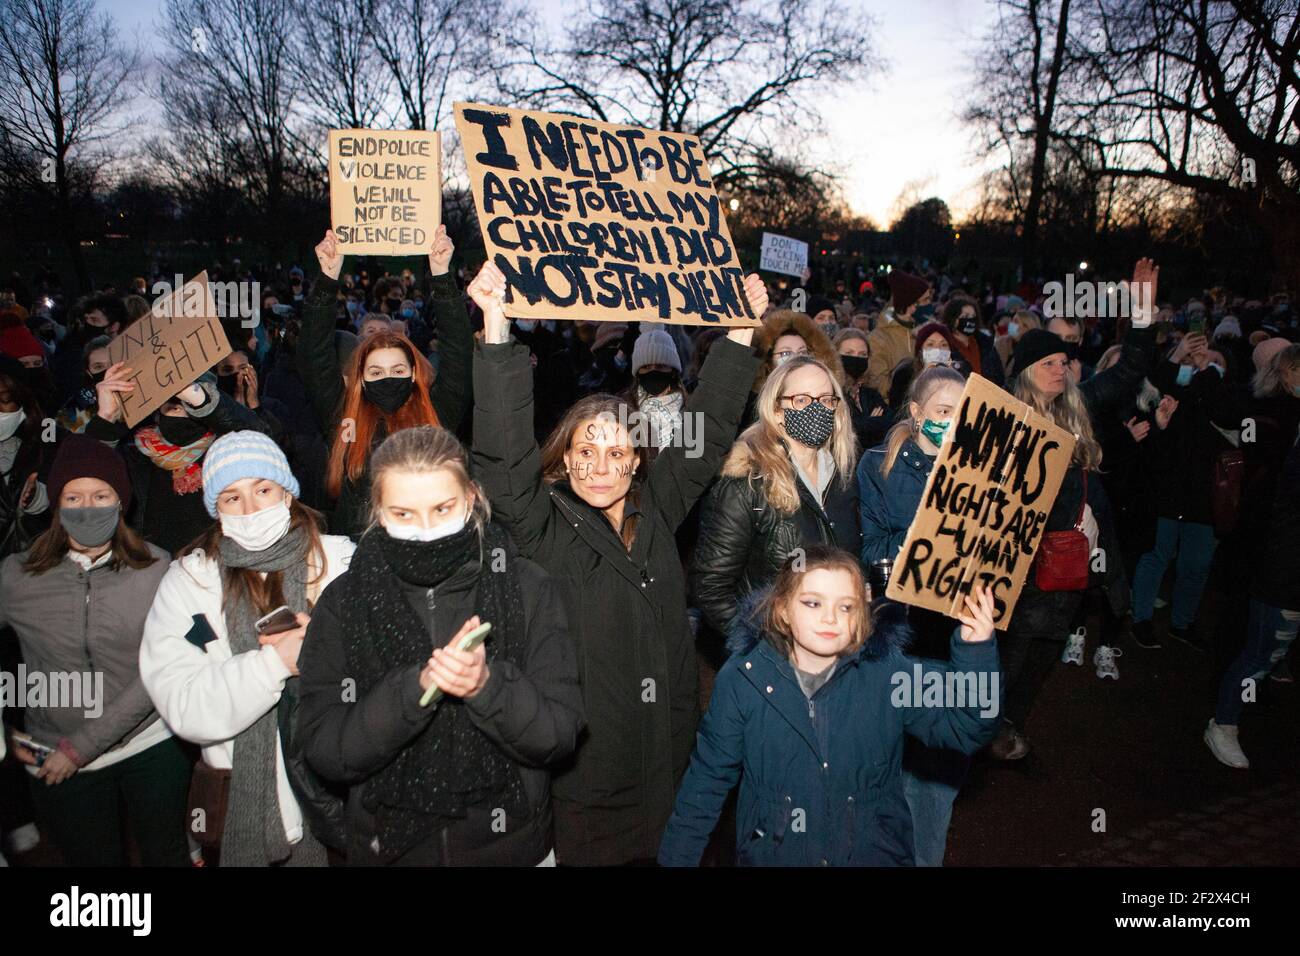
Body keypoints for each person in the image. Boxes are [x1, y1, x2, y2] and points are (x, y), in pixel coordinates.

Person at [468, 259, 766, 866]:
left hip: (671, 760)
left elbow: (705, 434)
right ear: (565, 457)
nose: (602, 465)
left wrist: (740, 332)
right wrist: (497, 327)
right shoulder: (540, 525)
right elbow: (501, 460)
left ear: (637, 460)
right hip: (589, 780)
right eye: (587, 449)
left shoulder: (658, 505)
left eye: (618, 450)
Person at [297, 425, 584, 865]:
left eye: (442, 508)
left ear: (471, 498)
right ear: (377, 509)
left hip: (511, 848)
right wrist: (412, 692)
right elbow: (327, 751)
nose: (425, 530)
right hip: (390, 851)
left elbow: (558, 733)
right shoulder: (342, 603)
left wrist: (488, 688)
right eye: (404, 514)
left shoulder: (529, 588)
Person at [658, 547, 1001, 866]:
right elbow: (706, 783)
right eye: (812, 603)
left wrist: (977, 650)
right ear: (782, 609)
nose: (830, 618)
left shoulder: (887, 674)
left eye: (845, 606)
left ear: (862, 613)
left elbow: (967, 729)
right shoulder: (744, 679)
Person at [140, 431, 354, 865]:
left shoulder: (340, 562)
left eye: (262, 489)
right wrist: (273, 665)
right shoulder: (189, 580)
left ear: (288, 494)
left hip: (331, 790)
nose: (251, 509)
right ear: (215, 509)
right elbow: (182, 703)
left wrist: (328, 650)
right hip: (240, 797)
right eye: (232, 498)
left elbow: (377, 677)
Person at [993, 259, 1160, 758]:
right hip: (1017, 563)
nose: (1061, 369)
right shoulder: (1001, 415)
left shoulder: (1080, 403)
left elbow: (1130, 369)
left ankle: (1010, 728)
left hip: (1067, 560)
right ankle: (980, 732)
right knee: (1012, 653)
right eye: (1049, 363)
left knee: (1044, 654)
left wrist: (1142, 313)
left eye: (1064, 362)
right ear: (1026, 371)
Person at [0, 435, 187, 866]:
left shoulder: (156, 569)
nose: (88, 507)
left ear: (120, 502)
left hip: (149, 743)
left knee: (166, 854)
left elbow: (161, 667)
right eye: (74, 496)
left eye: (101, 495)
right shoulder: (18, 576)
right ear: (57, 505)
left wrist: (81, 747)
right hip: (57, 753)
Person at [301, 226, 472, 538]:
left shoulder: (437, 413)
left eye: (398, 370)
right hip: (357, 551)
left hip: (425, 544)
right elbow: (315, 355)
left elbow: (460, 353)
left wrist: (441, 275)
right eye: (376, 372)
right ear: (361, 380)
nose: (388, 378)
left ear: (414, 373)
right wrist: (327, 278)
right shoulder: (344, 418)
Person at [691, 354, 861, 642]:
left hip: (840, 649)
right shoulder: (746, 482)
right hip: (776, 656)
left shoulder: (843, 476)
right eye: (802, 401)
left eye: (825, 399)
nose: (816, 409)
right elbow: (711, 588)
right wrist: (762, 650)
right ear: (777, 410)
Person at [84, 367, 266, 555]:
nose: (178, 402)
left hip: (219, 567)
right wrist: (106, 417)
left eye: (185, 398)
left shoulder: (228, 450)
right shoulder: (134, 455)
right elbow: (84, 478)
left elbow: (260, 438)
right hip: (152, 571)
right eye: (169, 397)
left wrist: (194, 394)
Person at [1206, 433, 1299, 768]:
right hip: (1284, 576)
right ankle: (1224, 723)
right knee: (1261, 655)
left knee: (1269, 654)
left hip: (1282, 573)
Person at [620, 328, 690, 466]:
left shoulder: (693, 407)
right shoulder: (623, 407)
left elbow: (696, 459)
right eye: (646, 367)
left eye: (660, 366)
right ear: (638, 372)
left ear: (672, 371)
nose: (653, 372)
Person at [864, 271, 929, 396]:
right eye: (925, 300)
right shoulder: (878, 339)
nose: (929, 304)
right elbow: (878, 383)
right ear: (911, 303)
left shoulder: (926, 333)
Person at [887, 321, 968, 411]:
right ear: (920, 351)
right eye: (930, 344)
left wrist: (952, 377)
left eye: (944, 345)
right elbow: (898, 410)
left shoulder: (960, 371)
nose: (938, 349)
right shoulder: (905, 373)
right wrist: (925, 375)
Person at [834, 328, 888, 450]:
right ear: (835, 355)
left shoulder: (870, 391)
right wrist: (871, 423)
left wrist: (861, 425)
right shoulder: (831, 390)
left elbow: (890, 423)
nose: (856, 358)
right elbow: (841, 431)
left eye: (862, 354)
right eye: (849, 353)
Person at [941, 294, 1004, 387]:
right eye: (966, 316)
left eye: (973, 316)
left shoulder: (986, 343)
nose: (970, 320)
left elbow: (999, 375)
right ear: (954, 319)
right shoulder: (943, 344)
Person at [55, 335, 111, 434]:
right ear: (89, 372)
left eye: (112, 363)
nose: (108, 371)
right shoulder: (77, 407)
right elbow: (56, 441)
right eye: (98, 366)